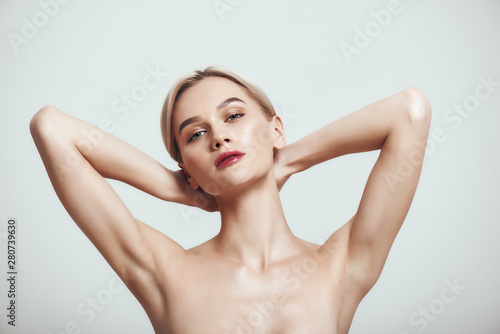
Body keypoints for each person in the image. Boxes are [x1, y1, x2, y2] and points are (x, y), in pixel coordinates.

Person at [30, 66, 431, 334]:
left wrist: (289, 159)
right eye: (195, 135)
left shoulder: (341, 264)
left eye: (234, 116)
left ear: (275, 129)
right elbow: (51, 128)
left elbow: (409, 112)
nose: (218, 136)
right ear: (188, 166)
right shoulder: (164, 270)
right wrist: (176, 188)